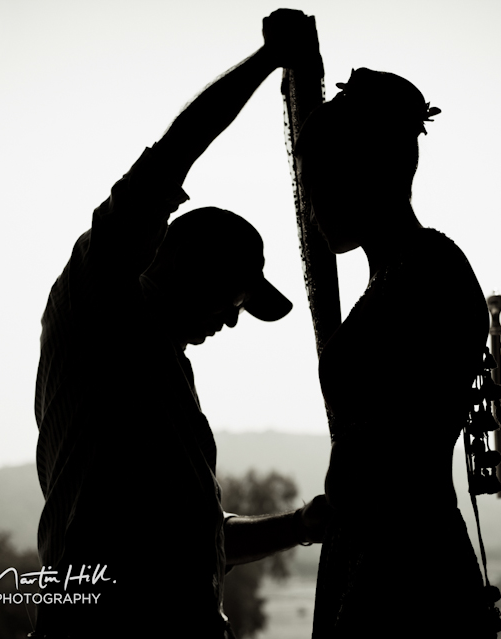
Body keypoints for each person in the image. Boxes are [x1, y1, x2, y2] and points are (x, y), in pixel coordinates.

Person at [32, 10, 331, 639]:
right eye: (230, 299)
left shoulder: (170, 374)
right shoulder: (97, 299)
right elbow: (172, 156)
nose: (231, 322)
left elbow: (204, 540)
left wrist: (302, 526)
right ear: (178, 261)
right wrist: (267, 60)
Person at [294, 68, 501, 638]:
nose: (312, 211)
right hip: (372, 550)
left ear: (363, 174)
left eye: (318, 188)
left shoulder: (428, 274)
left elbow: (402, 457)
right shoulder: (398, 274)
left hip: (402, 566)